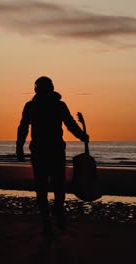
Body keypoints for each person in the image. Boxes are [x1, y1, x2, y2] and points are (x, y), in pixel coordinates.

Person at [16, 76, 89, 234]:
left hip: (44, 151)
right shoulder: (50, 105)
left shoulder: (37, 106)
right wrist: (81, 135)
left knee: (44, 187)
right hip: (51, 151)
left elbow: (23, 127)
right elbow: (70, 124)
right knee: (56, 185)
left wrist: (19, 147)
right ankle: (53, 215)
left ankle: (50, 216)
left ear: (36, 89)